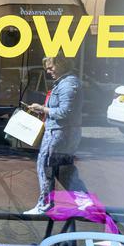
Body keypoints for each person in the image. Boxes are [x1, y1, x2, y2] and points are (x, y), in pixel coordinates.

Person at [24, 55, 88, 215]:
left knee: (45, 166)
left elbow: (64, 112)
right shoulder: (68, 82)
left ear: (62, 64)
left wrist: (42, 109)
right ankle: (84, 201)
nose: (48, 70)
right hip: (63, 132)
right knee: (64, 168)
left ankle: (44, 205)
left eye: (51, 66)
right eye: (47, 67)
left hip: (59, 133)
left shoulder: (67, 84)